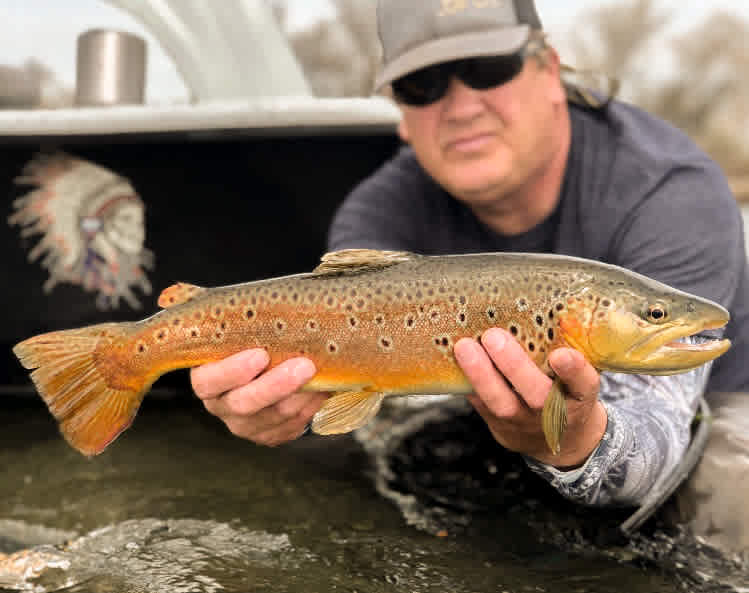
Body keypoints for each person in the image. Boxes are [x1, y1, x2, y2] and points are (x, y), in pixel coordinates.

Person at [190, 0, 749, 539]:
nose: (460, 107)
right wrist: (285, 409)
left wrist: (573, 441)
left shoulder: (671, 196)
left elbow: (658, 431)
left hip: (706, 411)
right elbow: (359, 390)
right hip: (476, 410)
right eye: (422, 86)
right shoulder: (380, 210)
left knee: (731, 485)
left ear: (550, 71)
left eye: (488, 68)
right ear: (402, 117)